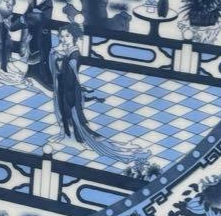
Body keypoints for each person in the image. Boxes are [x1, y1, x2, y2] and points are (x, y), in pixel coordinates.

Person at [49, 25, 149, 165]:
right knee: (66, 113)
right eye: (62, 36)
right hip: (64, 86)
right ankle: (68, 135)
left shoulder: (74, 54)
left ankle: (76, 138)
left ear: (74, 37)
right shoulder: (67, 52)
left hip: (70, 88)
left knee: (72, 114)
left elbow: (71, 74)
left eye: (67, 36)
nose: (64, 39)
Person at [20, 0, 56, 90]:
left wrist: (34, 14)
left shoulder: (48, 2)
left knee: (42, 55)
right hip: (32, 32)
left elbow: (45, 18)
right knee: (31, 50)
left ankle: (44, 78)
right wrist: (34, 14)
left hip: (43, 33)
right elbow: (27, 14)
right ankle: (31, 72)